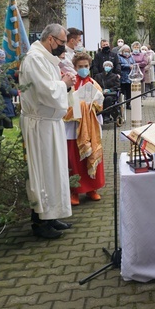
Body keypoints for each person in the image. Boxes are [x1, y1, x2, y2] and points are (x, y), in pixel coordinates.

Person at [19, 23, 76, 239]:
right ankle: (40, 223)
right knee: (43, 173)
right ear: (50, 39)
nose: (63, 47)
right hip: (40, 126)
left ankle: (51, 216)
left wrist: (64, 84)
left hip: (51, 124)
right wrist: (64, 83)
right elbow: (47, 92)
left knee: (55, 172)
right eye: (62, 43)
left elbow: (53, 87)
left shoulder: (45, 58)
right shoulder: (34, 58)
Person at [64, 52, 105, 205]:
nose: (83, 69)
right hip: (73, 128)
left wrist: (93, 105)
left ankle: (92, 189)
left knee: (92, 154)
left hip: (92, 127)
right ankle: (75, 191)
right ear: (75, 67)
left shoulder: (94, 84)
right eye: (80, 66)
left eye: (86, 66)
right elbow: (64, 105)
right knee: (75, 160)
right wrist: (78, 106)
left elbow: (100, 104)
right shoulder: (70, 85)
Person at [118, 44, 135, 108]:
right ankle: (121, 104)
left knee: (129, 92)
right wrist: (128, 66)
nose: (127, 52)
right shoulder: (119, 57)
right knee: (122, 91)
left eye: (128, 51)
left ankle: (128, 104)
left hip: (130, 77)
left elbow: (134, 63)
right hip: (122, 76)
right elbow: (119, 65)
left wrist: (133, 66)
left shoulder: (131, 57)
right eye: (125, 51)